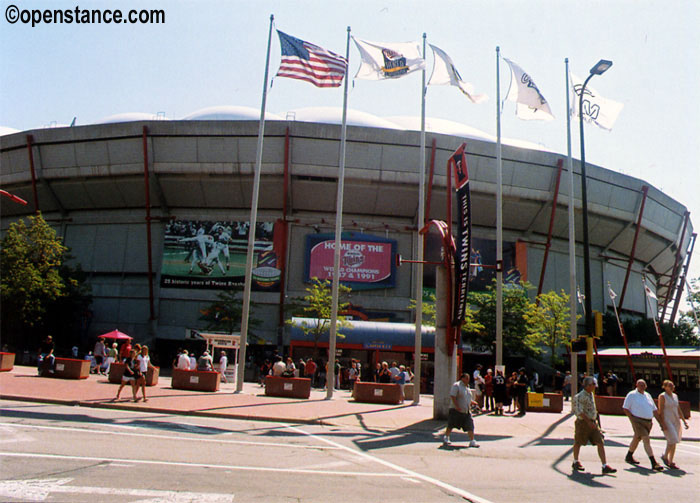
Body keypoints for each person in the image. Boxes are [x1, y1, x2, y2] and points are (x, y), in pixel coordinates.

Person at [571, 376, 617, 474]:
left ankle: (604, 465)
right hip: (583, 423)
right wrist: (588, 422)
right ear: (588, 385)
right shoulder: (579, 397)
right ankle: (575, 461)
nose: (595, 387)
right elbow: (580, 412)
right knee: (578, 442)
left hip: (592, 422)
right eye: (593, 385)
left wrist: (595, 422)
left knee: (600, 442)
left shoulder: (591, 394)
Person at [622, 379, 664, 471]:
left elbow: (654, 410)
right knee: (646, 439)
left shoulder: (648, 395)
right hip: (637, 421)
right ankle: (654, 462)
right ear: (636, 385)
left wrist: (661, 423)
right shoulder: (632, 395)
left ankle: (629, 455)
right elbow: (625, 408)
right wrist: (632, 419)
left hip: (648, 422)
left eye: (644, 385)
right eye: (640, 385)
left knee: (637, 438)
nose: (642, 387)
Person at [658, 380, 690, 469]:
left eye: (673, 385)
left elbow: (678, 409)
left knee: (672, 440)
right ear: (665, 387)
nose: (672, 387)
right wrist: (662, 423)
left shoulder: (675, 396)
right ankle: (668, 459)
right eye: (670, 386)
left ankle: (667, 457)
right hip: (667, 420)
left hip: (675, 420)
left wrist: (684, 421)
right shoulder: (662, 396)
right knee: (673, 439)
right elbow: (660, 411)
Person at [442, 373, 479, 447]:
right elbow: (453, 396)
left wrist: (473, 402)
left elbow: (467, 398)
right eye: (466, 378)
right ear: (462, 378)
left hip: (466, 410)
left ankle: (472, 441)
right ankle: (446, 437)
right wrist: (456, 406)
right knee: (451, 424)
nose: (468, 380)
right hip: (456, 410)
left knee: (470, 425)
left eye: (468, 378)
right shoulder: (457, 385)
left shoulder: (467, 388)